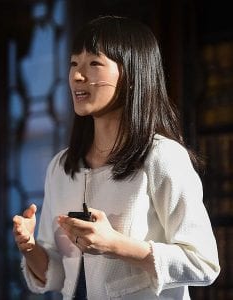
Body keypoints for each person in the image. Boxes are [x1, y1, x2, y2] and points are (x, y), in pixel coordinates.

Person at [13, 15, 220, 300]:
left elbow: (204, 264)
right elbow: (58, 275)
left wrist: (115, 244)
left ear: (132, 75)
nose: (76, 75)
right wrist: (28, 247)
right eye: (74, 63)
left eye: (93, 64)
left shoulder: (163, 156)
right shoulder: (61, 167)